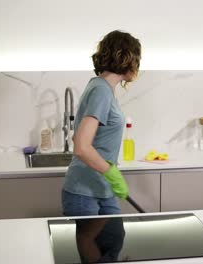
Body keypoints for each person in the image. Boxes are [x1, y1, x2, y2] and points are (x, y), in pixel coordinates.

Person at [62, 30, 142, 216]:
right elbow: (81, 146)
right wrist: (111, 173)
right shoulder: (101, 91)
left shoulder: (100, 87)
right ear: (127, 59)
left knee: (114, 240)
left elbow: (77, 136)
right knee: (100, 244)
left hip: (100, 189)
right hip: (84, 192)